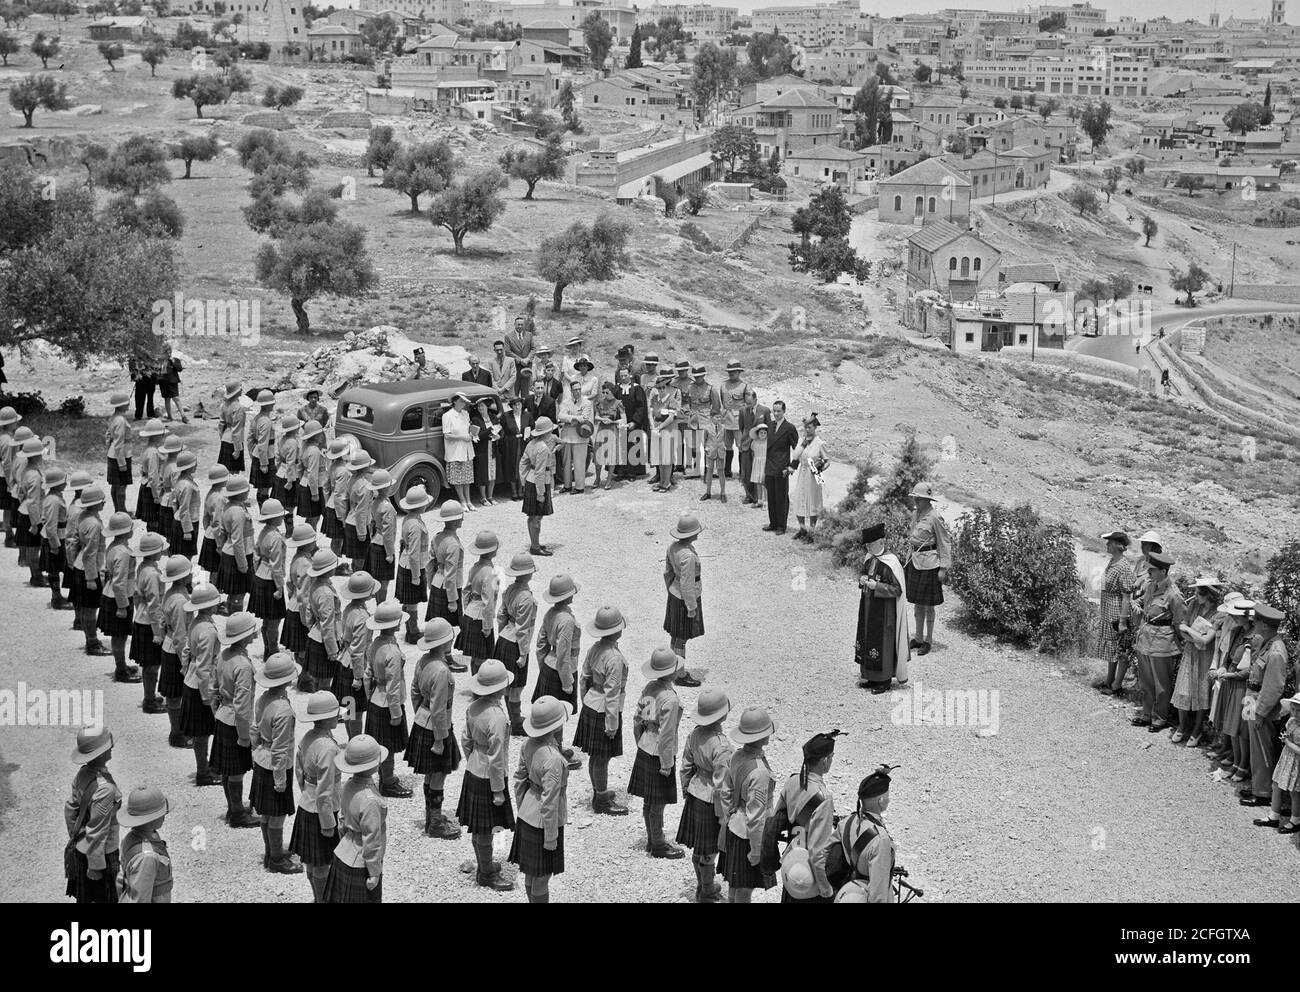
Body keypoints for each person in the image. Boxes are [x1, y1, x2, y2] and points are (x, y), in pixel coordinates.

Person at [509, 696, 572, 903]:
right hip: (544, 825)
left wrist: (523, 808)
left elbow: (519, 780)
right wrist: (551, 837)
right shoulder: (553, 758)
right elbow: (550, 802)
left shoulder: (528, 744)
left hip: (528, 813)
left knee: (531, 872)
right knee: (542, 877)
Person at [460, 659, 517, 890]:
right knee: (486, 828)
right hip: (489, 778)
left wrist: (472, 760)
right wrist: (498, 790)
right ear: (500, 688)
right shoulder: (497, 717)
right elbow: (496, 757)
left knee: (478, 827)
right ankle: (486, 874)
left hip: (474, 768)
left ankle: (485, 866)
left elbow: (465, 740)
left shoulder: (473, 707)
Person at [406, 617, 462, 838]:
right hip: (437, 729)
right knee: (439, 774)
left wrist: (420, 712)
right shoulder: (441, 671)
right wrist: (440, 739)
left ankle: (431, 817)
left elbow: (414, 691)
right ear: (444, 643)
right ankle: (436, 824)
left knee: (431, 775)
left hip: (423, 720)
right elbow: (439, 709)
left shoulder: (423, 661)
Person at [677, 688, 733, 902]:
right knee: (709, 849)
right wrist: (724, 815)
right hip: (711, 801)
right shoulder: (722, 745)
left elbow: (686, 765)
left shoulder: (695, 733)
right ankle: (707, 891)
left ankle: (702, 885)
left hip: (695, 791)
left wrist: (685, 789)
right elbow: (721, 786)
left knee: (699, 847)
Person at [774, 731, 843, 903]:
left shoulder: (792, 782)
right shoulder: (824, 799)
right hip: (809, 874)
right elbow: (817, 853)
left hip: (792, 862)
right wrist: (825, 887)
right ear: (825, 760)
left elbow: (777, 817)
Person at [574, 605, 630, 816]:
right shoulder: (614, 657)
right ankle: (602, 799)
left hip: (591, 704)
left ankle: (599, 792)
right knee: (602, 758)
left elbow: (584, 678)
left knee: (595, 757)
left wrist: (585, 701)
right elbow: (612, 693)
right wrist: (612, 724)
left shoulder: (595, 648)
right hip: (604, 711)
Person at [717, 705, 777, 903]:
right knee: (745, 889)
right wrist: (757, 849)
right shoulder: (759, 772)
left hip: (735, 825)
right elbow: (756, 816)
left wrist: (728, 817)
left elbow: (725, 790)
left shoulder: (737, 756)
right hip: (748, 836)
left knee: (735, 886)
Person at [629, 647, 685, 859]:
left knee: (648, 800)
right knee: (658, 802)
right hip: (659, 753)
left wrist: (640, 742)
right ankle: (659, 843)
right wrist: (666, 763)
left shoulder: (650, 687)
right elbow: (667, 734)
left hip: (645, 744)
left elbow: (638, 719)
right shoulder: (670, 698)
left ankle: (652, 840)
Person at [252, 652, 304, 874]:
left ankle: (269, 852)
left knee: (266, 813)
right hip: (276, 765)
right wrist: (281, 780)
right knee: (277, 815)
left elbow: (255, 729)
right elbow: (281, 749)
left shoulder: (264, 699)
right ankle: (276, 858)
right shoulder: (283, 710)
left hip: (262, 759)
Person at [291, 691, 344, 902]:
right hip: (322, 812)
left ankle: (317, 897)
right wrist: (328, 822)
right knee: (323, 863)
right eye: (334, 713)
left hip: (307, 804)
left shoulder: (308, 737)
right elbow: (325, 791)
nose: (338, 716)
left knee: (312, 863)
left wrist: (305, 792)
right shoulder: (329, 748)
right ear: (326, 718)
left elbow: (299, 770)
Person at [212, 611, 262, 829]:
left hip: (223, 714)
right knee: (236, 771)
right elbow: (242, 706)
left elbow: (214, 686)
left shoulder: (224, 656)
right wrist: (244, 736)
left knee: (227, 769)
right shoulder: (242, 664)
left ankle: (233, 808)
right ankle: (237, 814)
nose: (255, 635)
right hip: (235, 722)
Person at [324, 735, 389, 903]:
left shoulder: (349, 785)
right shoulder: (370, 800)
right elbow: (372, 839)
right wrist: (374, 872)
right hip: (362, 864)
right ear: (376, 764)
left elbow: (342, 821)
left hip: (343, 853)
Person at [65, 726, 122, 904]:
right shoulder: (105, 788)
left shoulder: (83, 773)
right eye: (108, 746)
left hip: (83, 848)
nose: (111, 747)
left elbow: (70, 810)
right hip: (101, 855)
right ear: (100, 753)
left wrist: (77, 838)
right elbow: (98, 829)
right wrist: (95, 866)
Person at [364, 600, 414, 799]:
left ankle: (384, 777)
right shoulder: (392, 651)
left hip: (376, 698)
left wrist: (369, 696)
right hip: (388, 703)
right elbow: (393, 685)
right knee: (389, 747)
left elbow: (368, 673)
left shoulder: (376, 644)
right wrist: (396, 712)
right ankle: (388, 780)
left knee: (380, 743)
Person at [1241, 603, 1289, 809]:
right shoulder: (1268, 643)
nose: (1255, 623)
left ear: (1266, 625)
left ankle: (1263, 792)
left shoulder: (1276, 651)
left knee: (1262, 748)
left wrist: (1260, 713)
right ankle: (1257, 785)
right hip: (1253, 698)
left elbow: (1273, 687)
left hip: (1261, 704)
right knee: (1255, 745)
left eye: (1258, 620)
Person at [1131, 551, 1185, 732]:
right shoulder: (1152, 586)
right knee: (1146, 681)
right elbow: (1144, 603)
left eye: (1152, 570)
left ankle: (1159, 717)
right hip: (1145, 639)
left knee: (1161, 683)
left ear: (1163, 571)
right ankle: (1147, 714)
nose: (1149, 573)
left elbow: (1180, 622)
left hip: (1162, 643)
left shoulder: (1174, 594)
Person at [855, 522, 909, 692]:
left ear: (881, 542)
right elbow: (864, 573)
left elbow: (897, 589)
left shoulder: (891, 562)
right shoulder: (869, 558)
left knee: (883, 643)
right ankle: (871, 677)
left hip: (884, 614)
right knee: (866, 638)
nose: (868, 547)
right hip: (868, 609)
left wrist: (876, 587)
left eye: (871, 544)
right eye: (867, 545)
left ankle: (884, 680)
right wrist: (862, 579)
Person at [1172, 576, 1222, 746]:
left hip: (1205, 656)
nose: (1195, 596)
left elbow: (1207, 640)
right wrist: (1196, 637)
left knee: (1202, 690)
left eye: (1198, 593)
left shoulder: (1218, 613)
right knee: (1183, 688)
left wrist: (1190, 632)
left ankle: (1197, 730)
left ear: (1207, 594)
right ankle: (1182, 726)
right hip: (1191, 652)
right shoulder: (1193, 605)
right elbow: (1182, 628)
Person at [834, 766, 897, 904]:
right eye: (887, 796)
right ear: (881, 801)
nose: (889, 800)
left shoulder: (847, 821)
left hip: (847, 893)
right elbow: (878, 895)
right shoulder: (881, 840)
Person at [180, 582, 221, 787]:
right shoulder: (208, 630)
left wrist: (184, 670)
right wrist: (208, 696)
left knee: (200, 733)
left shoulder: (196, 623)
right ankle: (203, 771)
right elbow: (205, 667)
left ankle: (204, 768)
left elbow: (187, 651)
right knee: (203, 733)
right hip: (201, 686)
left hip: (191, 680)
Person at [903, 482, 951, 656]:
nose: (915, 499)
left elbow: (944, 543)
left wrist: (944, 568)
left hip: (930, 564)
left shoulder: (935, 517)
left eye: (918, 497)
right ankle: (918, 638)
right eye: (915, 496)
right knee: (917, 603)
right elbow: (913, 539)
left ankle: (928, 641)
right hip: (915, 561)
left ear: (926, 499)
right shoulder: (916, 514)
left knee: (928, 605)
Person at [494, 551, 538, 736]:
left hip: (504, 638)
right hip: (515, 644)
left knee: (506, 684)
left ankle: (513, 718)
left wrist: (502, 633)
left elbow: (501, 615)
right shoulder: (526, 598)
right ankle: (516, 721)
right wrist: (523, 653)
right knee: (517, 687)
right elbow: (523, 628)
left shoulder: (510, 590)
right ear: (528, 574)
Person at [662, 512, 704, 688]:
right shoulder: (688, 556)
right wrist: (691, 606)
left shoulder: (673, 547)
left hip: (674, 594)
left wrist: (670, 589)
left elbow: (667, 572)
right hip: (685, 599)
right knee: (681, 638)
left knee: (675, 636)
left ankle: (672, 667)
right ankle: (679, 673)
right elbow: (687, 584)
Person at [100, 510, 142, 684]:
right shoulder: (124, 552)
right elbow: (119, 582)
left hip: (111, 594)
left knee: (119, 636)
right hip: (119, 598)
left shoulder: (113, 547)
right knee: (120, 636)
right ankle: (120, 669)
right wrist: (122, 606)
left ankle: (122, 665)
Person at [1092, 531, 1137, 696]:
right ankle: (1109, 681)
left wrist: (1123, 620)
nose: (1107, 545)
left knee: (1120, 649)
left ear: (1118, 545)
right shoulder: (1113, 561)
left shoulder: (1123, 566)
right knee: (1113, 649)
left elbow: (1126, 596)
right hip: (1108, 609)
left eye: (1109, 543)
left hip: (1117, 611)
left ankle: (1117, 685)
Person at [71, 486, 113, 658]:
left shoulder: (84, 516)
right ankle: (92, 643)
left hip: (79, 565)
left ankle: (90, 639)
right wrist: (91, 578)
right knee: (89, 609)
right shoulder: (94, 524)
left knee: (84, 608)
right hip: (89, 570)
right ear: (96, 504)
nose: (104, 503)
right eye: (102, 500)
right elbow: (91, 552)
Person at [129, 531, 168, 714]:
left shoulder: (143, 567)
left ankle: (150, 696)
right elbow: (155, 604)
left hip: (141, 618)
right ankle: (149, 700)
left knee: (149, 664)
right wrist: (158, 631)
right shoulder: (153, 574)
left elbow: (138, 597)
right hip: (150, 624)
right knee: (152, 665)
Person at [157, 554, 193, 749]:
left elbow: (163, 622)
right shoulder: (180, 600)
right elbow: (180, 635)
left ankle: (177, 730)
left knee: (174, 694)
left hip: (168, 645)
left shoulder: (171, 594)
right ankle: (177, 732)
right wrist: (185, 661)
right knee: (176, 694)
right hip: (176, 650)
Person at [117, 785, 174, 903]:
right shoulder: (147, 856)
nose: (164, 816)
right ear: (151, 818)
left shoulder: (132, 837)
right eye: (161, 813)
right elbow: (140, 899)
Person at [337, 570, 376, 739]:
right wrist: (359, 677)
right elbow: (358, 649)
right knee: (356, 713)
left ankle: (351, 738)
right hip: (354, 667)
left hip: (344, 661)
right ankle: (355, 741)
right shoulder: (361, 617)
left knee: (348, 709)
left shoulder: (349, 609)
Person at [534, 574, 581, 712]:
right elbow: (563, 652)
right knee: (558, 716)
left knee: (547, 714)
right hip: (563, 671)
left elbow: (541, 643)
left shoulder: (550, 613)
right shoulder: (567, 620)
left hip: (549, 666)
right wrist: (567, 682)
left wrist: (543, 665)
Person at [304, 549, 343, 711]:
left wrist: (311, 627)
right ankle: (324, 711)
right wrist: (332, 649)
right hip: (325, 640)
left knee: (320, 681)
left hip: (315, 634)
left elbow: (308, 612)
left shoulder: (315, 585)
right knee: (325, 682)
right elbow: (328, 624)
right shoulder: (326, 592)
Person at [428, 500, 465, 668]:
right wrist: (452, 599)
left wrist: (430, 583)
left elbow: (431, 563)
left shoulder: (437, 537)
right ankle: (447, 656)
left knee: (439, 622)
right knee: (448, 625)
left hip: (437, 581)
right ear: (456, 521)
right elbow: (451, 574)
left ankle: (438, 653)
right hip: (449, 588)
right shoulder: (453, 544)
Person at [249, 498, 288, 660]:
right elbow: (276, 566)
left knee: (266, 620)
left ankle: (268, 648)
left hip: (260, 576)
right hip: (271, 580)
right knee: (274, 620)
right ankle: (272, 650)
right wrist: (280, 587)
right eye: (279, 515)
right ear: (273, 518)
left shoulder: (264, 532)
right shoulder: (276, 537)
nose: (282, 518)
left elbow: (256, 555)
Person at [458, 530, 499, 675]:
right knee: (483, 658)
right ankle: (480, 687)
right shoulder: (491, 572)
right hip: (481, 617)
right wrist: (487, 625)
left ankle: (474, 684)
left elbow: (466, 591)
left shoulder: (475, 567)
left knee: (475, 658)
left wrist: (467, 609)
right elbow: (489, 601)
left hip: (470, 612)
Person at [396, 484, 434, 643]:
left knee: (408, 601)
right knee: (412, 603)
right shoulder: (416, 525)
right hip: (413, 567)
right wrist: (416, 575)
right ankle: (413, 631)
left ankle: (410, 629)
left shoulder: (409, 519)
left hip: (405, 564)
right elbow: (414, 553)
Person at [1258, 693, 1300, 833]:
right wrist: (1285, 739)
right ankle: (1273, 815)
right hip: (1286, 759)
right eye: (1293, 709)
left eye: (1298, 710)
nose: (1295, 713)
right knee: (1276, 784)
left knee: (1294, 791)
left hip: (1296, 762)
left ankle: (1295, 820)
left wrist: (1287, 742)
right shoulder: (1291, 721)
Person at [283, 523, 319, 685]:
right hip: (301, 611)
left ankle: (303, 676)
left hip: (293, 605)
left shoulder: (297, 558)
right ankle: (304, 679)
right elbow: (304, 595)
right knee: (305, 648)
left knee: (300, 648)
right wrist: (307, 620)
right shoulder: (306, 564)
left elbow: (290, 584)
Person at [215, 475, 254, 615]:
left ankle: (232, 614)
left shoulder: (229, 506)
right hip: (238, 556)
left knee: (235, 592)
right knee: (239, 594)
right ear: (240, 493)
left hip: (229, 552)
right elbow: (238, 541)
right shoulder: (238, 512)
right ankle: (236, 620)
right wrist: (243, 564)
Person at [519, 416, 556, 556]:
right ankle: (535, 547)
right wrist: (540, 493)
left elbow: (523, 462)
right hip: (539, 482)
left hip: (530, 479)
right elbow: (540, 472)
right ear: (546, 433)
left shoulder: (531, 444)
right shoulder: (543, 448)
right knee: (537, 517)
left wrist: (523, 479)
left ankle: (535, 543)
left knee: (532, 515)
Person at [762, 401, 799, 535]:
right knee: (771, 496)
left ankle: (781, 526)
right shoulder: (770, 426)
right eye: (774, 411)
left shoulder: (789, 428)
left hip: (782, 468)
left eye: (778, 411)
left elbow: (798, 450)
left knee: (781, 497)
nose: (776, 413)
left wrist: (791, 467)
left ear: (784, 411)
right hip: (770, 466)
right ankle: (773, 523)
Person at [789, 415, 828, 542]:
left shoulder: (820, 443)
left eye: (810, 427)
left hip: (815, 473)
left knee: (813, 500)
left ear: (815, 428)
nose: (807, 430)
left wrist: (821, 468)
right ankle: (802, 528)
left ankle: (812, 530)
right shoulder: (802, 440)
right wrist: (803, 444)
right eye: (805, 428)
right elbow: (795, 456)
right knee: (800, 497)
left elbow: (827, 461)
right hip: (803, 471)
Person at [686, 366, 722, 500]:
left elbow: (716, 406)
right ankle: (695, 470)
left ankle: (708, 473)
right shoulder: (690, 387)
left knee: (708, 448)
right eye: (696, 376)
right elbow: (688, 403)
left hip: (706, 420)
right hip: (694, 420)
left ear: (704, 376)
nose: (698, 378)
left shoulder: (711, 389)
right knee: (694, 447)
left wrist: (713, 422)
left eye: (700, 376)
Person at [39, 466, 70, 610]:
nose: (66, 483)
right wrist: (55, 545)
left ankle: (56, 596)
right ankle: (56, 597)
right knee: (55, 569)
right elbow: (51, 525)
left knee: (55, 569)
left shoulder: (53, 497)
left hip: (56, 536)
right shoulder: (54, 501)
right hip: (56, 538)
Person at [365, 469, 397, 604]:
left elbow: (371, 523)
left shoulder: (375, 502)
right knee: (384, 582)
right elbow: (388, 533)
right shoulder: (387, 507)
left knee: (378, 580)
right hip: (383, 546)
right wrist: (390, 553)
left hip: (374, 541)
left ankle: (379, 605)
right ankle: (382, 606)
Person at [557, 379, 593, 495]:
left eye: (579, 389)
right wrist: (575, 418)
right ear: (571, 391)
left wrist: (570, 419)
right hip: (567, 436)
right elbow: (561, 416)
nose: (577, 391)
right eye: (575, 390)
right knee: (566, 463)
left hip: (581, 436)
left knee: (579, 463)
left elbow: (585, 418)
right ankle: (567, 485)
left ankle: (579, 487)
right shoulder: (566, 402)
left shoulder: (587, 403)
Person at [343, 450, 375, 574]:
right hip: (359, 524)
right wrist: (362, 532)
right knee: (362, 558)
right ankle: (360, 582)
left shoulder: (352, 480)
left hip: (350, 520)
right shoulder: (365, 486)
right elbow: (362, 511)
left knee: (356, 559)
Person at [614, 367, 648, 481]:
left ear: (630, 375)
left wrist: (635, 421)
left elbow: (641, 406)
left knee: (633, 446)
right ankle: (621, 471)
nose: (623, 378)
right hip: (620, 423)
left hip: (633, 423)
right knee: (621, 447)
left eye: (625, 375)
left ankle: (632, 473)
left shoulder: (637, 388)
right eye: (621, 376)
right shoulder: (616, 389)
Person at [443, 392, 475, 510]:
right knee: (458, 478)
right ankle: (462, 501)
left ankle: (469, 501)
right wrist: (462, 437)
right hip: (455, 450)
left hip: (466, 449)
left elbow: (468, 429)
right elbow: (447, 435)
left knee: (467, 478)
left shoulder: (465, 414)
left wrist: (472, 435)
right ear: (455, 401)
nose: (463, 404)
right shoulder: (447, 416)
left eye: (464, 402)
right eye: (461, 401)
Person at [649, 372, 680, 493]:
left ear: (667, 387)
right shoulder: (655, 399)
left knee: (667, 457)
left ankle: (667, 482)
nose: (661, 389)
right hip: (656, 429)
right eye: (659, 388)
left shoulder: (671, 399)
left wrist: (659, 427)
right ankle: (661, 481)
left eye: (663, 387)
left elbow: (671, 417)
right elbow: (650, 414)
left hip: (667, 429)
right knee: (659, 457)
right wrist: (653, 427)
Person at [592, 382, 625, 491]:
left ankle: (609, 480)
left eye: (607, 392)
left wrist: (613, 421)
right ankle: (597, 478)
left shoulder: (618, 403)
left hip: (612, 430)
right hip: (601, 430)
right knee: (598, 456)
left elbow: (624, 420)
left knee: (611, 456)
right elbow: (596, 417)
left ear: (612, 392)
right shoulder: (600, 403)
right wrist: (602, 419)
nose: (605, 394)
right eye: (603, 392)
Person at [324, 438, 352, 564]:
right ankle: (333, 565)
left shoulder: (333, 466)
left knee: (336, 539)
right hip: (338, 508)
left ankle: (333, 562)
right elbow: (340, 495)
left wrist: (326, 502)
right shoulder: (344, 470)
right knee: (338, 539)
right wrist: (342, 517)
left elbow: (326, 487)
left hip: (331, 504)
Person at [198, 465, 229, 580]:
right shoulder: (220, 498)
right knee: (216, 568)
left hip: (209, 533)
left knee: (207, 566)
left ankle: (204, 585)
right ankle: (213, 588)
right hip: (217, 536)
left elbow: (205, 517)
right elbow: (218, 522)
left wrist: (207, 529)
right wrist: (220, 544)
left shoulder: (210, 493)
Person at [105, 391, 133, 513]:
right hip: (121, 455)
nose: (128, 404)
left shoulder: (114, 417)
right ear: (122, 405)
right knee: (121, 485)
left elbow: (108, 435)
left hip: (112, 454)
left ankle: (118, 510)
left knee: (115, 486)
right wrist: (122, 462)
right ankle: (122, 511)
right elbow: (119, 443)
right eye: (126, 403)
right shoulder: (120, 420)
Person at [273, 416, 302, 535]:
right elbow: (291, 463)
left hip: (281, 472)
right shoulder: (293, 442)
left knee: (282, 504)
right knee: (289, 506)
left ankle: (285, 528)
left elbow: (277, 457)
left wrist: (278, 469)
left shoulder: (281, 439)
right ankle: (290, 530)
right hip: (291, 475)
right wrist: (290, 480)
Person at [136, 418, 166, 535]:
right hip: (151, 488)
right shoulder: (153, 452)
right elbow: (154, 476)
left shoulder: (146, 449)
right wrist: (157, 495)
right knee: (154, 520)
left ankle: (151, 541)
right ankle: (153, 543)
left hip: (145, 484)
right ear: (157, 435)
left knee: (151, 521)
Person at [248, 390, 277, 504]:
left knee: (261, 489)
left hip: (258, 454)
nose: (274, 405)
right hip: (266, 457)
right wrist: (264, 463)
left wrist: (252, 454)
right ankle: (265, 513)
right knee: (265, 490)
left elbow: (250, 439)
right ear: (268, 404)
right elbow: (263, 443)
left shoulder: (257, 418)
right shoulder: (266, 421)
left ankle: (263, 513)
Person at [297, 421, 327, 532]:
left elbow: (300, 468)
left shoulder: (305, 446)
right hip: (314, 486)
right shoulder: (314, 451)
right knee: (313, 517)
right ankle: (309, 541)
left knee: (312, 517)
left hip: (305, 483)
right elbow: (313, 474)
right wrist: (315, 493)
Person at [720, 361, 747, 482]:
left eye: (734, 372)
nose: (731, 374)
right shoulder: (723, 386)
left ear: (739, 372)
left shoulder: (744, 386)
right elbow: (722, 401)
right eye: (730, 372)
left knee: (741, 446)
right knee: (727, 446)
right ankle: (727, 470)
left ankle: (743, 472)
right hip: (726, 420)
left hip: (738, 421)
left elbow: (748, 404)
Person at [172, 451, 200, 559]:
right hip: (187, 524)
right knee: (185, 558)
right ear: (188, 467)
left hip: (181, 521)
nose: (196, 465)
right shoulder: (187, 485)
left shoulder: (180, 480)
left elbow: (174, 503)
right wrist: (187, 530)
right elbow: (184, 508)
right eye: (194, 464)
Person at [497, 394, 525, 501]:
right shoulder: (506, 416)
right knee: (512, 467)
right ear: (511, 406)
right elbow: (502, 429)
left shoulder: (527, 415)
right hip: (511, 444)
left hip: (523, 444)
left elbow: (530, 428)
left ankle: (521, 490)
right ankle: (514, 491)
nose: (517, 407)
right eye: (515, 405)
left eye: (519, 404)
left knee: (522, 466)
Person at [0, 405, 20, 548]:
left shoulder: (4, 437)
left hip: (5, 475)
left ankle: (8, 530)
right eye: (15, 421)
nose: (17, 423)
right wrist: (10, 482)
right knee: (9, 507)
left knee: (9, 507)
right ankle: (9, 535)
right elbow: (7, 463)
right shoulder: (7, 440)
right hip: (5, 476)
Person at [218, 381, 246, 473]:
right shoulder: (238, 408)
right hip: (234, 442)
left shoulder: (224, 405)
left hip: (225, 439)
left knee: (225, 472)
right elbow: (236, 430)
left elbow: (221, 424)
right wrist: (237, 449)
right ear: (236, 391)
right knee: (234, 474)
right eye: (240, 388)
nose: (241, 389)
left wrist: (222, 437)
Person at [159, 346, 187, 423]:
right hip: (163, 382)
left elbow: (179, 369)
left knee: (176, 398)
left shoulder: (175, 359)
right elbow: (158, 371)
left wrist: (173, 362)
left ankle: (183, 416)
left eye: (169, 352)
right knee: (166, 399)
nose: (168, 354)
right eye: (166, 352)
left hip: (172, 382)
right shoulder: (160, 361)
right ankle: (169, 416)